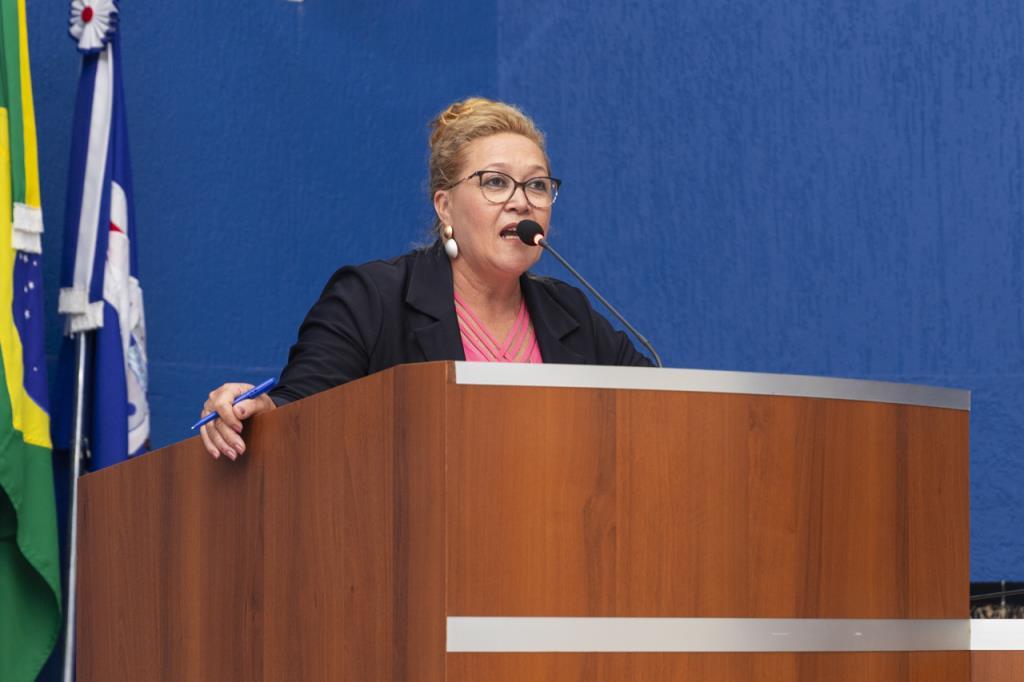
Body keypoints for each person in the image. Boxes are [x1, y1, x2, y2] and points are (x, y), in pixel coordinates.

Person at [199, 97, 653, 460]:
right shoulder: (372, 300)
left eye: (537, 185)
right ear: (445, 206)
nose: (522, 202)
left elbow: (660, 410)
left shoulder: (569, 313)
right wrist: (256, 412)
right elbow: (300, 409)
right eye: (496, 182)